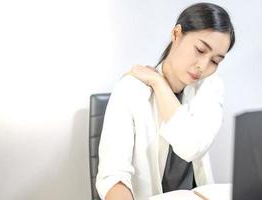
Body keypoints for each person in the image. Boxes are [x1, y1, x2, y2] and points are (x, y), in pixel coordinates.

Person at [96, 2, 235, 200]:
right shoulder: (130, 90)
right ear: (177, 34)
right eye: (200, 50)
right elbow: (113, 175)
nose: (203, 66)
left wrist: (158, 84)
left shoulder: (211, 87)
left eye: (215, 61)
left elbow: (190, 146)